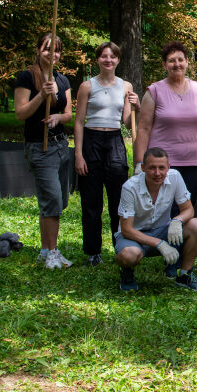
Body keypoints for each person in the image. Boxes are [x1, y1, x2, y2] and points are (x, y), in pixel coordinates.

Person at [74, 42, 138, 266]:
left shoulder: (125, 86)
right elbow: (79, 122)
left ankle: (120, 246)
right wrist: (79, 155)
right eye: (103, 56)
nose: (108, 60)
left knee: (118, 201)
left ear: (118, 60)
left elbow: (128, 124)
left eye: (112, 56)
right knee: (91, 201)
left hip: (114, 142)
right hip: (91, 141)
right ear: (97, 60)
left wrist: (135, 106)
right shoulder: (87, 86)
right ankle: (93, 251)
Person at [133, 41, 197, 209]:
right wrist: (138, 162)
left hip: (194, 164)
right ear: (164, 64)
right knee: (164, 211)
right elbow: (143, 128)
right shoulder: (155, 91)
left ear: (187, 61)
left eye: (180, 59)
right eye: (172, 60)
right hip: (162, 165)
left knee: (186, 210)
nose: (177, 64)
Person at [15, 32, 74, 269]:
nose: (53, 54)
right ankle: (52, 252)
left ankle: (44, 249)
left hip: (60, 145)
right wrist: (41, 95)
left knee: (58, 200)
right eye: (48, 48)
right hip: (40, 147)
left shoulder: (63, 80)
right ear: (38, 50)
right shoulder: (27, 77)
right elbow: (20, 113)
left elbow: (69, 113)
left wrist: (58, 117)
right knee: (52, 200)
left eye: (57, 50)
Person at [114, 147, 197, 292]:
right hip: (134, 236)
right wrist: (159, 244)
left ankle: (185, 275)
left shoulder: (175, 176)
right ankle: (127, 273)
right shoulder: (129, 187)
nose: (157, 173)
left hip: (163, 231)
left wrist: (177, 221)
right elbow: (126, 230)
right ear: (143, 168)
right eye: (152, 168)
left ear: (168, 167)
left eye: (162, 168)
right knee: (129, 255)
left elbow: (189, 209)